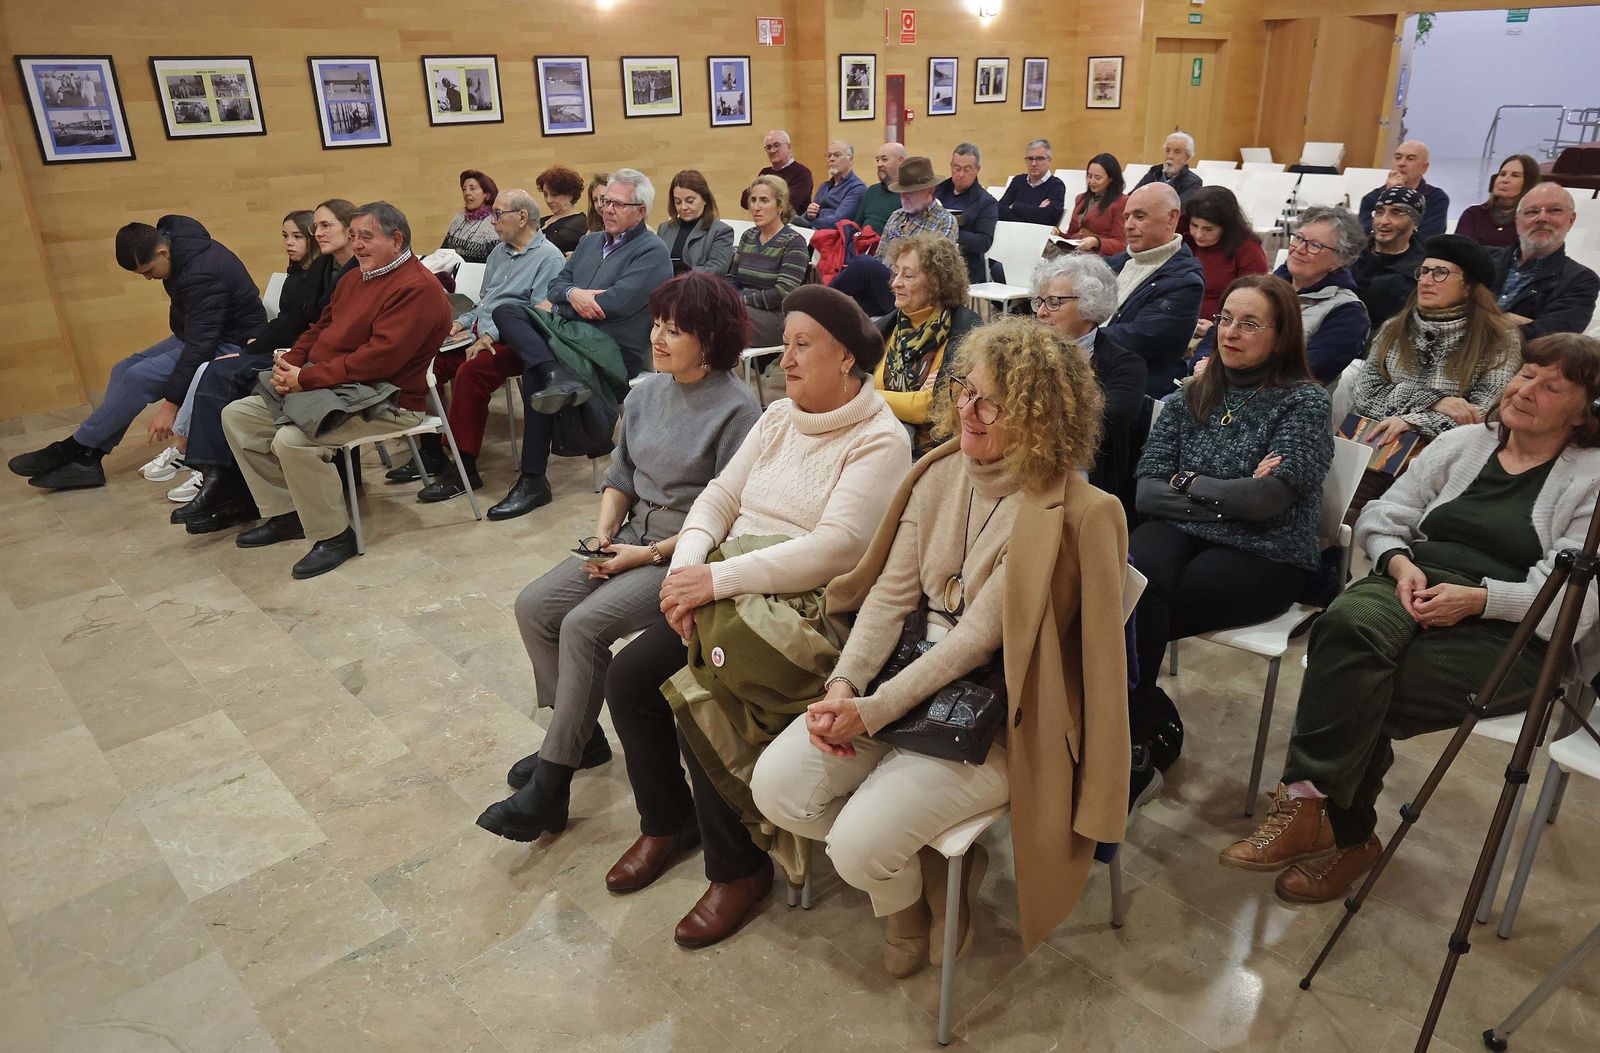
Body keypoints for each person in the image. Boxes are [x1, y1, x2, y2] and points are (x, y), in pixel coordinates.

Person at [751, 317, 1129, 975]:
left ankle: (905, 880)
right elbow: (891, 599)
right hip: (904, 680)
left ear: (1040, 416)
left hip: (1001, 712)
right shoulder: (939, 471)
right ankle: (920, 886)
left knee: (855, 846)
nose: (966, 409)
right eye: (963, 389)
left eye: (990, 402)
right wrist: (845, 686)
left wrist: (870, 711)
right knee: (776, 789)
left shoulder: (1077, 512)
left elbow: (978, 639)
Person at [1219, 333, 1600, 904]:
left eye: (1552, 386)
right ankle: (1319, 816)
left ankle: (1336, 826)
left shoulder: (1592, 479)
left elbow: (1573, 597)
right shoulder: (1465, 443)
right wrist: (1397, 562)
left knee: (1362, 688)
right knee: (1343, 629)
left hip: (1511, 627)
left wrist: (1479, 599)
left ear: (1584, 412)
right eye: (1525, 374)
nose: (1525, 391)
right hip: (1413, 580)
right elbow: (1384, 513)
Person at [601, 285, 911, 949]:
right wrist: (687, 572)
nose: (787, 358)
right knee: (629, 678)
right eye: (788, 343)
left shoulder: (879, 439)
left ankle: (738, 871)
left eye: (804, 345)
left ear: (848, 359)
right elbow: (717, 498)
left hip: (803, 614)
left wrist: (715, 578)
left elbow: (835, 549)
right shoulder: (776, 418)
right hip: (726, 592)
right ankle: (666, 821)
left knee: (704, 695)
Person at [477, 273, 762, 841]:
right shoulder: (646, 390)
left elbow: (731, 516)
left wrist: (643, 554)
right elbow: (621, 474)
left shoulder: (738, 411)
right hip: (630, 531)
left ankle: (551, 785)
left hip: (683, 550)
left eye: (673, 331)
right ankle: (578, 739)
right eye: (656, 325)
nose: (656, 338)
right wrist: (606, 534)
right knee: (534, 606)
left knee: (583, 626)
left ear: (710, 341)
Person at [1132, 274, 1334, 801]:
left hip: (1268, 552)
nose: (1231, 332)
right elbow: (1147, 492)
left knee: (1134, 608)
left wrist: (1189, 481)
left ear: (1281, 334)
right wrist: (1225, 494)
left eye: (1250, 323)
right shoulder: (1191, 393)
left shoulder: (1304, 403)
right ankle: (1135, 732)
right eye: (1226, 319)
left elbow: (1268, 502)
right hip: (1181, 531)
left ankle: (1127, 742)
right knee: (1127, 583)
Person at [219, 202, 451, 578]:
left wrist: (305, 379)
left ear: (397, 240)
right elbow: (319, 327)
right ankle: (287, 513)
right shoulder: (355, 277)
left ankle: (334, 536)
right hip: (337, 387)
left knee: (293, 441)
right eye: (354, 236)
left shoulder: (418, 289)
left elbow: (379, 361)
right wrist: (291, 362)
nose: (357, 245)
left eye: (367, 237)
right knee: (238, 416)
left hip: (387, 399)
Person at [10, 216, 264, 491]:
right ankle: (89, 460)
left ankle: (73, 448)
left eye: (148, 270)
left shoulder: (200, 274)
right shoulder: (174, 240)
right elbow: (198, 335)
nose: (148, 278)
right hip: (201, 334)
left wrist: (170, 405)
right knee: (123, 369)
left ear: (163, 252)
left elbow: (201, 347)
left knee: (138, 377)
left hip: (230, 343)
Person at [487, 169, 674, 520]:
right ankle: (555, 374)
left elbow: (613, 303)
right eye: (605, 202)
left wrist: (563, 304)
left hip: (613, 350)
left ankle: (533, 479)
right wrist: (573, 295)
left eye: (618, 204)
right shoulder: (590, 242)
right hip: (570, 336)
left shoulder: (652, 251)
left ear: (641, 211)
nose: (608, 209)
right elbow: (557, 285)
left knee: (534, 375)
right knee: (506, 311)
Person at [172, 201, 360, 533]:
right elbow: (295, 320)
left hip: (326, 360)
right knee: (220, 371)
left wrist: (291, 358)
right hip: (303, 352)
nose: (317, 233)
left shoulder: (358, 270)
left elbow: (336, 330)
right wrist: (252, 351)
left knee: (233, 378)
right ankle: (219, 476)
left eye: (325, 226)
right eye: (315, 227)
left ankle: (226, 483)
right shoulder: (321, 269)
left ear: (350, 228)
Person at [398, 189, 568, 503]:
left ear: (522, 217)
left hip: (519, 342)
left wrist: (492, 335)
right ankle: (433, 452)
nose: (492, 222)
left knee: (471, 373)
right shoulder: (498, 253)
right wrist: (460, 323)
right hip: (480, 333)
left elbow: (537, 315)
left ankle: (464, 468)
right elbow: (485, 302)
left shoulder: (549, 257)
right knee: (423, 362)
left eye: (498, 214)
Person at [1350, 235, 1523, 509]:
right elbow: (1365, 395)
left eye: (1440, 273)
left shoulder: (1500, 338)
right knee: (1334, 506)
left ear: (1468, 285)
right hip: (1381, 446)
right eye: (1424, 271)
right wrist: (1436, 400)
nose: (1426, 280)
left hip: (1451, 456)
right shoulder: (1394, 328)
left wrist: (1412, 422)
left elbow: (1482, 413)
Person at [1199, 207, 1370, 384]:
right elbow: (1217, 333)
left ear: (1340, 259)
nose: (1299, 249)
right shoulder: (1261, 287)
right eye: (1298, 238)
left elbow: (1307, 372)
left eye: (1314, 245)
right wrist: (1202, 363)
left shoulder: (1348, 313)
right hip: (1214, 386)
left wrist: (1220, 372)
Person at [1032, 253, 1147, 506]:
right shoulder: (1022, 352)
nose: (1040, 313)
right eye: (1039, 302)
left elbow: (1103, 423)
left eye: (1053, 302)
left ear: (1089, 304)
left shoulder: (1125, 364)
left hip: (1088, 478)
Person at [872, 234, 981, 453]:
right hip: (877, 436)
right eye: (896, 272)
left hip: (930, 450)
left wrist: (868, 397)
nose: (895, 283)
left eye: (908, 276)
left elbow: (930, 408)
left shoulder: (964, 330)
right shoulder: (887, 326)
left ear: (935, 283)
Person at [1104, 183, 1205, 397]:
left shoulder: (1185, 282)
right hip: (1095, 370)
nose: (1129, 225)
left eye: (1139, 217)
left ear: (1172, 218)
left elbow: (1135, 339)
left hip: (1133, 389)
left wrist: (1073, 337)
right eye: (1126, 217)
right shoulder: (1118, 263)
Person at [830, 156, 957, 317]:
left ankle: (818, 301)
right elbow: (880, 257)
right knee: (845, 308)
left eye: (910, 193)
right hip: (887, 287)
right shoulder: (897, 216)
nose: (903, 197)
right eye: (901, 193)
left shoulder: (945, 221)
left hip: (917, 293)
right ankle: (821, 307)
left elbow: (933, 271)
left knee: (863, 264)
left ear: (929, 191)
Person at [1490, 182, 1600, 341]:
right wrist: (1514, 321)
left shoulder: (1581, 280)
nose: (1542, 218)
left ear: (1571, 220)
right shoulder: (1485, 259)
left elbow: (1552, 341)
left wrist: (1482, 320)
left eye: (1555, 210)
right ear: (1517, 220)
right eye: (1532, 211)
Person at [728, 175, 812, 346]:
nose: (756, 207)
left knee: (719, 318)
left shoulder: (794, 242)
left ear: (780, 206)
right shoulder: (748, 236)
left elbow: (783, 294)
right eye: (753, 200)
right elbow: (732, 278)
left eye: (764, 201)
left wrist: (740, 300)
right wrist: (729, 297)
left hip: (777, 320)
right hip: (741, 310)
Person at [1184, 185, 1269, 336]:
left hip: (1221, 331)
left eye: (1208, 229)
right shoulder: (1185, 239)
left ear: (1227, 227)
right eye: (1194, 225)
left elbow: (1254, 300)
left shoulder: (1248, 250)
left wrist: (1216, 326)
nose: (1198, 234)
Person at [1351, 185, 1428, 332]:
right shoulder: (1350, 255)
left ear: (1415, 222)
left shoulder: (1421, 271)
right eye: (1379, 212)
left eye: (1396, 213)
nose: (1383, 221)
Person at [1358, 140, 1449, 242]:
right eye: (1398, 158)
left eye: (1410, 159)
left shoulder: (1436, 198)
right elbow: (1364, 237)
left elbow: (1428, 239)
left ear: (1424, 168)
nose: (1401, 163)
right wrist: (1390, 194)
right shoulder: (1371, 198)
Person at [936, 143, 999, 286]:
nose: (960, 174)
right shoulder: (937, 191)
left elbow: (984, 242)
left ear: (977, 170)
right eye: (956, 168)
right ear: (951, 166)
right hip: (931, 256)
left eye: (967, 169)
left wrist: (950, 232)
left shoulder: (986, 202)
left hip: (965, 264)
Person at [657, 170, 735, 276]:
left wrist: (680, 273)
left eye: (690, 201)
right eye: (678, 202)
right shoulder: (664, 228)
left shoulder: (721, 231)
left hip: (701, 289)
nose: (683, 207)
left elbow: (716, 271)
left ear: (704, 199)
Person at [1456, 154, 1541, 250]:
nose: (1504, 180)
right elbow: (1459, 251)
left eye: (1515, 175)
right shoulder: (1473, 214)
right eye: (1502, 174)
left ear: (1528, 183)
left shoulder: (1533, 221)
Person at [1059, 153, 1127, 257]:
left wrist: (1096, 242)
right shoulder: (1081, 198)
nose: (1092, 181)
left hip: (1098, 257)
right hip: (1074, 253)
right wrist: (1058, 234)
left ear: (1111, 178)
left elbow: (1121, 244)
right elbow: (1072, 235)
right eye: (1089, 176)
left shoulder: (1121, 202)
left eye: (1097, 178)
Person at [798, 140, 866, 231]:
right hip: (813, 232)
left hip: (834, 238)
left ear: (850, 159)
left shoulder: (857, 188)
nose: (831, 159)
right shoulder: (824, 186)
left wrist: (807, 223)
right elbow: (803, 218)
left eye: (837, 155)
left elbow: (838, 221)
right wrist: (808, 214)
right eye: (829, 156)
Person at [997, 139, 1066, 227]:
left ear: (1049, 160)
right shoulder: (1018, 181)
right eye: (1030, 159)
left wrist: (1015, 206)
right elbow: (999, 210)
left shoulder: (1056, 185)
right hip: (1013, 233)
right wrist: (1037, 210)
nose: (1033, 163)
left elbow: (1048, 219)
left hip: (1039, 237)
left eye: (1039, 159)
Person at [741, 129, 813, 211]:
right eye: (768, 147)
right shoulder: (765, 172)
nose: (772, 150)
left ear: (789, 147)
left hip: (792, 222)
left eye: (777, 145)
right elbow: (745, 201)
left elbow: (789, 204)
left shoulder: (802, 173)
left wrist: (761, 199)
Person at [439, 169, 499, 263]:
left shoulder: (494, 224)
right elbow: (443, 251)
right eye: (464, 189)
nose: (466, 193)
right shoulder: (458, 218)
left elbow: (496, 263)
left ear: (487, 195)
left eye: (472, 189)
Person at [1133, 132, 1202, 207]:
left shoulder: (1193, 182)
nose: (1170, 156)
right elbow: (1132, 197)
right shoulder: (1154, 173)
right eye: (1167, 151)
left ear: (1187, 158)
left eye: (1177, 152)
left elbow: (1178, 209)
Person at [535, 165, 590, 254]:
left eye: (554, 195)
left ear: (570, 194)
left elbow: (545, 248)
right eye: (545, 194)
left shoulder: (578, 223)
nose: (549, 200)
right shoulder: (543, 220)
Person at [857, 142, 908, 233]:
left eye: (884, 160)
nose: (879, 164)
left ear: (901, 161)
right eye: (877, 160)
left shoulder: (909, 195)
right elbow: (856, 225)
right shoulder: (872, 191)